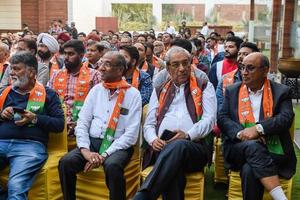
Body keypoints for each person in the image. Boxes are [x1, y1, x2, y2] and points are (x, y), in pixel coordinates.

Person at [133, 46, 216, 200]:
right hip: (163, 147)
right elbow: (150, 123)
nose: (182, 69)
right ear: (168, 68)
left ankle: (143, 196)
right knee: (174, 170)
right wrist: (153, 139)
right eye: (176, 65)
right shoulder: (160, 89)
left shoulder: (204, 85)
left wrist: (188, 135)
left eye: (186, 63)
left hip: (195, 148)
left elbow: (210, 120)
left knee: (178, 145)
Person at [58, 51, 142, 200]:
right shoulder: (96, 90)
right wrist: (85, 151)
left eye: (107, 64)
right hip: (92, 142)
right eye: (101, 63)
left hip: (118, 145)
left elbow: (131, 135)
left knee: (113, 166)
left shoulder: (133, 94)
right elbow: (83, 123)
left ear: (120, 70)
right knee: (66, 162)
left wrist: (103, 155)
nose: (101, 68)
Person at [218, 52, 297, 200]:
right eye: (242, 67)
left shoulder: (281, 92)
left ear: (265, 70)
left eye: (250, 68)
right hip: (238, 148)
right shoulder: (232, 91)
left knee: (249, 170)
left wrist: (258, 129)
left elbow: (285, 118)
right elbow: (222, 118)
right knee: (253, 146)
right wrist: (242, 134)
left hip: (272, 149)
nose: (244, 72)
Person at [0, 51, 64, 199]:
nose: (12, 73)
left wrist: (35, 118)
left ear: (31, 72)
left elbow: (59, 124)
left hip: (29, 147)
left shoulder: (48, 94)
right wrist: (2, 114)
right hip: (2, 142)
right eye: (11, 69)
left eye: (17, 69)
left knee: (16, 186)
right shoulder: (5, 92)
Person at [48, 40, 101, 138]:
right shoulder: (56, 74)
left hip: (84, 125)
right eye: (65, 54)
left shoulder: (94, 75)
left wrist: (79, 124)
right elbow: (49, 101)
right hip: (58, 123)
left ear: (81, 56)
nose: (66, 57)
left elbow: (98, 106)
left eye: (71, 54)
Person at [216, 42, 259, 111]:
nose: (240, 57)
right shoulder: (225, 79)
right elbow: (220, 108)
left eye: (245, 54)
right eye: (239, 54)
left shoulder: (261, 79)